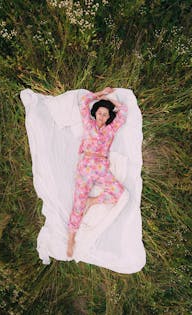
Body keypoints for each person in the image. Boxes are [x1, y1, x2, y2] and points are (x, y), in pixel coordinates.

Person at [67, 87, 128, 257]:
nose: (102, 116)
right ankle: (71, 237)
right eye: (100, 113)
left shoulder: (111, 129)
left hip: (101, 167)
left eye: (105, 114)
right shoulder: (88, 123)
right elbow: (84, 102)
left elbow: (123, 111)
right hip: (86, 165)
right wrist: (101, 94)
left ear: (109, 117)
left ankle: (92, 201)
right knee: (78, 202)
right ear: (96, 113)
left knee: (119, 194)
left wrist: (111, 102)